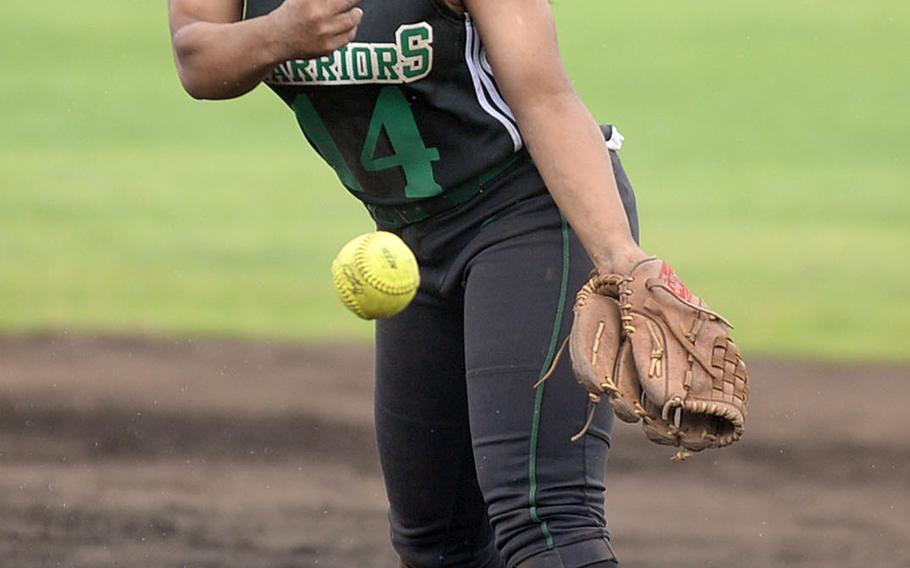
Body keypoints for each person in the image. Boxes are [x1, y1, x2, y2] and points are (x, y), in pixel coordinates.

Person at [168, 1, 648, 566]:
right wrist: (280, 33)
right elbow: (197, 58)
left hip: (534, 215)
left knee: (545, 519)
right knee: (437, 544)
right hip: (409, 244)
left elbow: (545, 96)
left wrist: (622, 259)